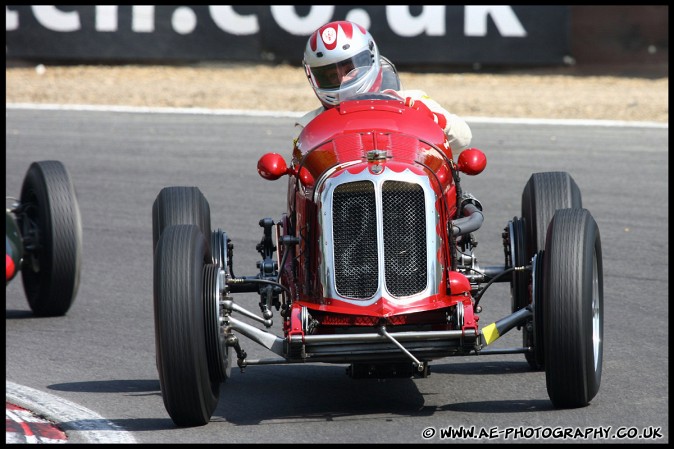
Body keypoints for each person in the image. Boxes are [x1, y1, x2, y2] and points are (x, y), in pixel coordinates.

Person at [297, 20, 472, 153]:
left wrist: (432, 119)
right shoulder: (309, 126)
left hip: (407, 187)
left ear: (371, 58)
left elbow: (463, 139)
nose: (343, 79)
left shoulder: (412, 100)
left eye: (351, 69)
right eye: (331, 76)